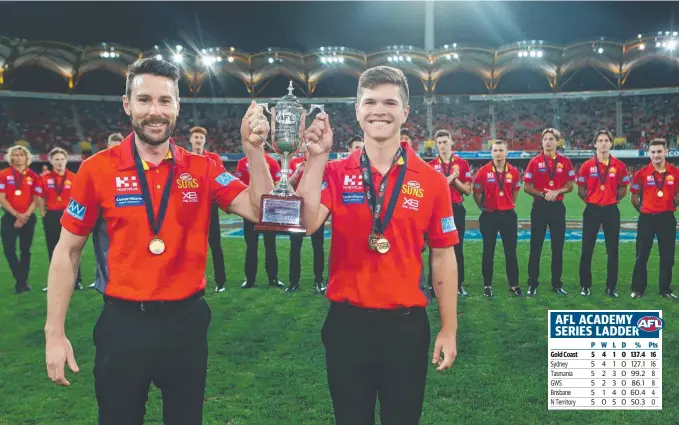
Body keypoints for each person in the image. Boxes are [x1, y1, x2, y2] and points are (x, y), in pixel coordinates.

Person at [44, 57, 274, 425]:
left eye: (165, 101)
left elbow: (263, 212)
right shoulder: (96, 170)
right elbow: (67, 251)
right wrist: (54, 334)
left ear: (177, 106)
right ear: (127, 105)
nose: (155, 111)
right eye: (144, 100)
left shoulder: (204, 168)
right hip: (122, 323)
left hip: (186, 322)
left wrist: (254, 150)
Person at [296, 65, 459, 425]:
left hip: (405, 327)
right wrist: (318, 157)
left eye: (389, 102)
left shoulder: (432, 181)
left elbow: (444, 256)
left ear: (405, 111)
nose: (378, 110)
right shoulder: (336, 172)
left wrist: (449, 329)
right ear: (357, 111)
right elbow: (307, 224)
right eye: (369, 102)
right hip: (347, 325)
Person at [577, 129, 629, 298]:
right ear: (595, 144)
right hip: (591, 210)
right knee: (587, 250)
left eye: (606, 140)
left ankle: (611, 287)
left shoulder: (619, 165)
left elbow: (623, 188)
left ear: (611, 143)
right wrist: (592, 200)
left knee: (612, 250)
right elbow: (580, 190)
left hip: (611, 211)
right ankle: (585, 286)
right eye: (600, 140)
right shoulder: (586, 165)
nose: (603, 143)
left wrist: (613, 198)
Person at [523, 128, 575, 296]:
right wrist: (544, 194)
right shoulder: (534, 162)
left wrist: (557, 191)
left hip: (558, 208)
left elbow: (570, 185)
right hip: (539, 207)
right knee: (535, 247)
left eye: (551, 139)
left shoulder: (565, 161)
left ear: (557, 142)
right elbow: (527, 186)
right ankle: (532, 284)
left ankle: (557, 284)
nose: (548, 141)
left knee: (557, 247)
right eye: (545, 139)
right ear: (542, 141)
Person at [472, 140, 523, 298]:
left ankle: (514, 285)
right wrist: (484, 208)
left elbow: (515, 193)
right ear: (491, 153)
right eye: (495, 150)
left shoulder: (513, 172)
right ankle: (487, 286)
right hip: (489, 216)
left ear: (506, 152)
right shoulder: (483, 171)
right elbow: (477, 193)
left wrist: (507, 204)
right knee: (488, 252)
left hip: (508, 216)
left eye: (501, 150)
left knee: (511, 252)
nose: (498, 153)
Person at [630, 138, 679, 300]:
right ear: (649, 154)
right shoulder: (641, 174)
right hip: (647, 219)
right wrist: (643, 210)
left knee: (667, 256)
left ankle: (665, 289)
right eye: (653, 152)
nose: (656, 155)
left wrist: (671, 205)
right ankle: (638, 289)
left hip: (667, 218)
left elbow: (678, 195)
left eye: (659, 151)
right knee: (641, 256)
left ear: (666, 152)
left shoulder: (675, 173)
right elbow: (634, 197)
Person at [428, 129, 471, 296]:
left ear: (451, 142)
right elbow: (434, 190)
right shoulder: (431, 166)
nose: (443, 145)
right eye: (439, 143)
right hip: (438, 210)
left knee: (457, 248)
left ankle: (458, 284)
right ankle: (433, 285)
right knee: (435, 248)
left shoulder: (462, 164)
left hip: (456, 208)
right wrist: (451, 177)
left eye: (445, 142)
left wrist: (455, 180)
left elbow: (467, 190)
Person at [235, 151, 284, 288]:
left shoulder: (272, 162)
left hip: (268, 211)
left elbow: (278, 185)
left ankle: (273, 277)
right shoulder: (242, 162)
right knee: (251, 246)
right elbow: (239, 186)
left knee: (270, 245)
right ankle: (250, 279)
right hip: (250, 210)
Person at [189, 126, 227, 292]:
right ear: (191, 140)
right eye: (195, 137)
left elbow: (222, 178)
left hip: (209, 207)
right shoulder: (185, 158)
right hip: (190, 207)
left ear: (205, 140)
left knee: (215, 244)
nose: (198, 140)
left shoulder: (214, 158)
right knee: (193, 247)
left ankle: (221, 281)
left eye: (201, 138)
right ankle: (195, 281)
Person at [0, 145, 43, 293]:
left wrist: (24, 216)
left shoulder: (33, 176)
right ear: (11, 157)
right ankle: (21, 279)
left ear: (26, 157)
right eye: (15, 155)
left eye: (21, 155)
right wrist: (16, 215)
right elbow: (1, 198)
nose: (18, 158)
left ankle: (22, 284)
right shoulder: (3, 174)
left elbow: (36, 200)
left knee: (26, 251)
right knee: (9, 250)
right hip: (9, 218)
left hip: (28, 218)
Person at [39, 147, 83, 291]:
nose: (59, 162)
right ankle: (55, 282)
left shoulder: (73, 177)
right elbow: (40, 197)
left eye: (62, 159)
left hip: (69, 215)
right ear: (51, 161)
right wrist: (42, 212)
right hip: (51, 216)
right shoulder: (44, 178)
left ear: (66, 160)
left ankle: (76, 281)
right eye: (56, 159)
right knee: (53, 249)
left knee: (73, 249)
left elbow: (79, 198)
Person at [88, 132, 126, 290]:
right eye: (113, 146)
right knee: (102, 250)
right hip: (101, 216)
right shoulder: (99, 167)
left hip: (123, 216)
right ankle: (102, 280)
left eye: (119, 146)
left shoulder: (129, 167)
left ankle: (121, 281)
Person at [287, 147, 326, 293]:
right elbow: (287, 186)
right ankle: (294, 282)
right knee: (295, 248)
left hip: (315, 211)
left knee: (318, 247)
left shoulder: (323, 165)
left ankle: (319, 280)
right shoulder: (293, 163)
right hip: (296, 212)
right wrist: (296, 174)